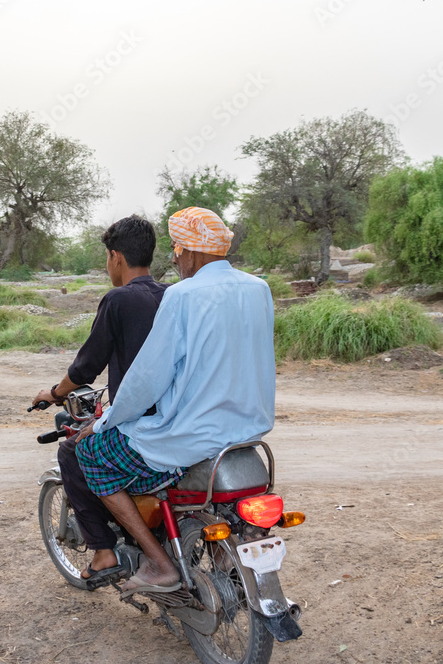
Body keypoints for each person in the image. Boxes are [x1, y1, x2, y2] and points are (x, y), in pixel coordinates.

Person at [74, 207, 275, 595]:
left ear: (190, 252)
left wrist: (105, 420)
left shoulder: (183, 295)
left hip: (191, 437)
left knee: (91, 452)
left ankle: (159, 563)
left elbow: (148, 378)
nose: (176, 260)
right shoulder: (258, 288)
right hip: (248, 432)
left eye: (177, 252)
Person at [30, 215, 168, 580]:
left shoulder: (118, 299)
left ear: (115, 257)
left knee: (73, 449)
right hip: (175, 418)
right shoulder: (172, 295)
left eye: (107, 258)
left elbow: (86, 367)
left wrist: (54, 393)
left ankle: (104, 551)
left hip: (140, 426)